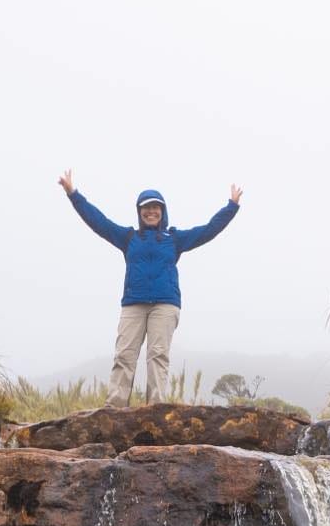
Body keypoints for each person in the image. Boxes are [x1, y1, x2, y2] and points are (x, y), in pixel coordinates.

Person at [58, 171, 242, 406]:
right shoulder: (128, 238)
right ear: (139, 212)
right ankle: (115, 406)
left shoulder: (174, 239)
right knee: (124, 355)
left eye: (156, 207)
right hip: (134, 304)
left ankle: (155, 407)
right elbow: (98, 222)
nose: (151, 211)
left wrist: (231, 206)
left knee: (157, 356)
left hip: (165, 304)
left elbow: (208, 230)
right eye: (146, 208)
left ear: (162, 211)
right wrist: (73, 194)